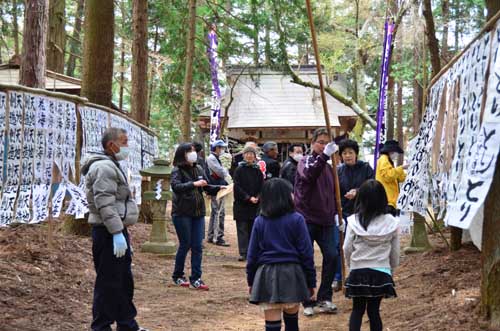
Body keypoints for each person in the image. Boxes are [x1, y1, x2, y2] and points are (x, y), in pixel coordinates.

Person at [81, 127, 149, 331]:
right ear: (112, 145)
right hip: (107, 232)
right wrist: (116, 232)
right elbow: (104, 203)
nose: (127, 146)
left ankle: (127, 324)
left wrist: (122, 233)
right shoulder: (104, 168)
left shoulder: (112, 165)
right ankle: (101, 326)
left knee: (123, 281)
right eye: (124, 141)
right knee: (108, 283)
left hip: (115, 230)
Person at [247, 178, 316, 331]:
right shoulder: (297, 220)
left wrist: (251, 281)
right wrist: (311, 282)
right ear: (285, 197)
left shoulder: (260, 221)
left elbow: (252, 256)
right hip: (292, 275)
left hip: (266, 275)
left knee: (272, 327)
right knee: (292, 323)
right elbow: (307, 254)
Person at [343, 179, 399, 331]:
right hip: (381, 272)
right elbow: (395, 252)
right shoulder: (391, 222)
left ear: (361, 198)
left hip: (358, 271)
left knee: (357, 310)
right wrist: (391, 270)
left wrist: (351, 265)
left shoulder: (353, 221)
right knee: (374, 312)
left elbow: (346, 247)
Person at [294, 127, 339, 316]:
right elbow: (310, 175)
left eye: (327, 143)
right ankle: (307, 299)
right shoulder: (305, 161)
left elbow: (334, 193)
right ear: (312, 144)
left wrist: (337, 213)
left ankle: (325, 297)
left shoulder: (330, 167)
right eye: (320, 142)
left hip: (327, 219)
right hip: (307, 218)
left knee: (332, 255)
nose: (323, 146)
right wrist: (325, 156)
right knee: (306, 258)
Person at [170, 142, 223, 290]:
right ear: (183, 154)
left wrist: (220, 188)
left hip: (198, 212)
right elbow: (176, 187)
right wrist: (194, 184)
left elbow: (206, 186)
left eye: (194, 151)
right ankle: (178, 275)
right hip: (182, 213)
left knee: (197, 246)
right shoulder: (177, 170)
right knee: (185, 244)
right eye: (191, 151)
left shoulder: (198, 168)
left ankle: (196, 278)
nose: (194, 154)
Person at [332, 139, 375, 291]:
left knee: (360, 244)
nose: (348, 156)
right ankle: (338, 277)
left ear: (356, 154)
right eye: (344, 153)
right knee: (340, 245)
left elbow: (372, 186)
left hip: (361, 212)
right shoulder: (338, 171)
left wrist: (358, 191)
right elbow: (333, 191)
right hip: (343, 212)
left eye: (351, 152)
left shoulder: (365, 168)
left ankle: (359, 275)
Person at [233, 145, 264, 261]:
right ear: (243, 156)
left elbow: (262, 185)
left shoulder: (257, 170)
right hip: (242, 204)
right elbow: (237, 187)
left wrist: (258, 197)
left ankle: (252, 252)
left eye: (252, 154)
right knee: (242, 229)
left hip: (255, 204)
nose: (249, 156)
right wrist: (248, 197)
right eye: (247, 153)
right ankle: (243, 252)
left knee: (252, 229)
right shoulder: (239, 169)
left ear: (255, 156)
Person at [206, 139, 230, 246]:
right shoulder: (212, 158)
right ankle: (217, 237)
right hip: (216, 188)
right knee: (218, 212)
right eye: (222, 148)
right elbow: (220, 171)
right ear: (217, 148)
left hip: (218, 188)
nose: (223, 150)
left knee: (216, 212)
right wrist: (226, 171)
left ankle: (211, 236)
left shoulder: (216, 158)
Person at [375, 140, 407, 217]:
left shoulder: (389, 162)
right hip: (387, 201)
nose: (396, 155)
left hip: (391, 201)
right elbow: (388, 176)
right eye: (396, 152)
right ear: (391, 151)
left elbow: (399, 178)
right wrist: (401, 168)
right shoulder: (383, 159)